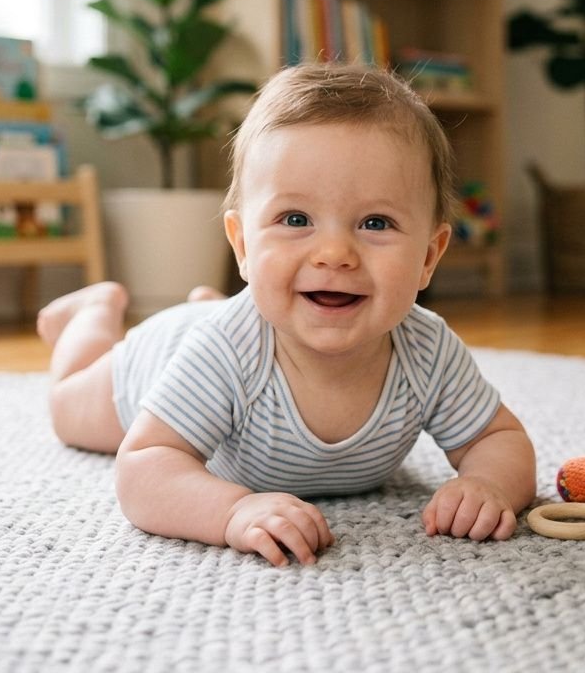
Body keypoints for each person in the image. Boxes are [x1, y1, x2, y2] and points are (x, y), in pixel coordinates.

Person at [38, 64, 537, 567]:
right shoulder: (225, 350)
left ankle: (202, 301)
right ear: (243, 247)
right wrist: (232, 511)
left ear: (429, 256)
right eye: (296, 219)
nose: (335, 253)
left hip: (223, 324)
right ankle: (94, 310)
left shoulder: (427, 350)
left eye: (375, 222)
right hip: (160, 358)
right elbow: (142, 471)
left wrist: (487, 483)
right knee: (68, 410)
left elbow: (498, 438)